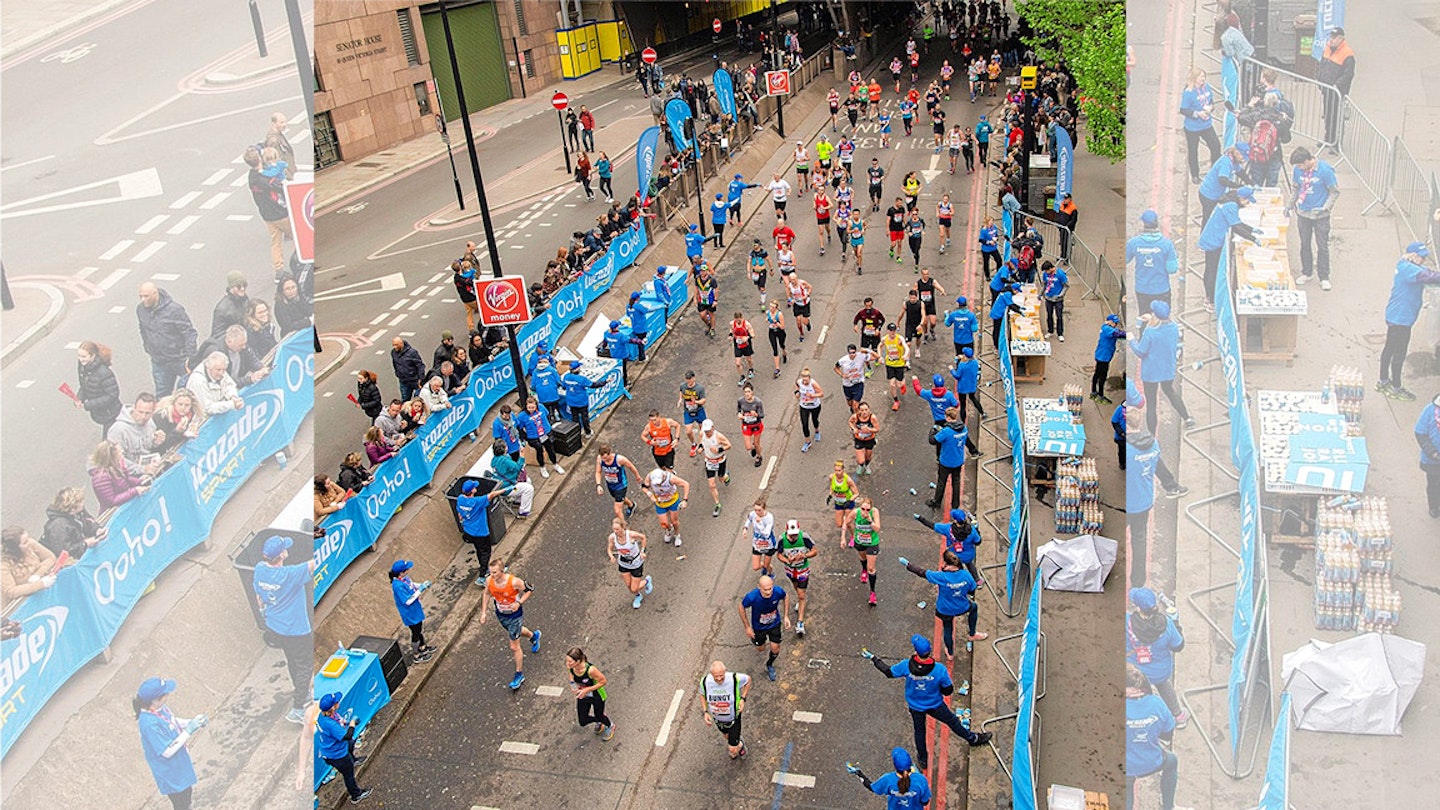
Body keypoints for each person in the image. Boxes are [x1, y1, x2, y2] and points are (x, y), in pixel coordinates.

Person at [865, 635, 992, 771]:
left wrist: (874, 659)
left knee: (919, 732)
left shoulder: (906, 666)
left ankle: (923, 759)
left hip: (915, 706)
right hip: (935, 704)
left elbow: (888, 672)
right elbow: (948, 690)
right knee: (953, 722)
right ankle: (972, 739)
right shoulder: (939, 670)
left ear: (916, 652)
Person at [252, 535, 315, 723]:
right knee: (305, 665)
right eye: (285, 548)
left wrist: (264, 614)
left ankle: (303, 696)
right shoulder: (289, 574)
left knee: (293, 662)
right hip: (297, 629)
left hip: (276, 626)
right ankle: (298, 708)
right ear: (282, 555)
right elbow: (313, 563)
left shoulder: (259, 569)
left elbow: (259, 598)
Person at [1126, 409, 1188, 587]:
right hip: (1144, 501)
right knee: (1139, 541)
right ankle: (1138, 582)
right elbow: (1157, 467)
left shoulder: (1128, 450)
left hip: (1129, 503)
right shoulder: (1153, 445)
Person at [1377, 243, 1440, 399]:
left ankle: (1383, 381)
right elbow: (1430, 276)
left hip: (1398, 316)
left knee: (1389, 349)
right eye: (1422, 256)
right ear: (1412, 255)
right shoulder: (1409, 270)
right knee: (1399, 353)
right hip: (1401, 319)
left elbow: (1428, 273)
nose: (1424, 259)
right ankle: (1396, 387)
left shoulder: (1406, 265)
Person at [134, 677, 207, 809]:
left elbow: (172, 721)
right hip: (171, 772)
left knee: (187, 793)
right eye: (166, 693)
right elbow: (167, 751)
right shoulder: (149, 725)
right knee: (181, 802)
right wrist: (189, 731)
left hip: (180, 763)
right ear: (156, 700)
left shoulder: (160, 709)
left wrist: (192, 722)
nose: (168, 695)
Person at [902, 549, 983, 659]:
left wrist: (908, 564)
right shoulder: (965, 575)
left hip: (945, 609)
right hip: (962, 606)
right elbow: (972, 589)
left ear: (946, 563)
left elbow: (922, 572)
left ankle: (950, 653)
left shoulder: (941, 577)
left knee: (948, 629)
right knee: (974, 607)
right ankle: (972, 634)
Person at [1126, 587, 1187, 726]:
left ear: (1138, 608)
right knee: (1165, 687)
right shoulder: (1167, 625)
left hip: (1134, 673)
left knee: (1138, 699)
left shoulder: (1126, 622)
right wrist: (1176, 623)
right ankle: (1179, 716)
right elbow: (1178, 646)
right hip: (1160, 671)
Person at [478, 558, 542, 690]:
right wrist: (483, 612)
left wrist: (518, 603)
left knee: (514, 646)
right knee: (517, 632)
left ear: (502, 571)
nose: (492, 575)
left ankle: (519, 675)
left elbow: (530, 588)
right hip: (501, 615)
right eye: (491, 572)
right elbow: (486, 594)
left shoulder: (514, 581)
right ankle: (534, 636)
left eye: (495, 572)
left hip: (514, 616)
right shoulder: (489, 581)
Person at [1133, 301, 1194, 433]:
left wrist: (1131, 340)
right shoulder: (1173, 328)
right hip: (1167, 369)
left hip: (1151, 373)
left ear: (1155, 315)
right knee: (1170, 392)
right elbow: (1162, 327)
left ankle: (1151, 436)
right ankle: (1187, 418)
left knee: (1151, 404)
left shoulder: (1150, 332)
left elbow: (1140, 352)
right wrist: (1151, 319)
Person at [1125, 662, 1179, 810]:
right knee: (1172, 761)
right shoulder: (1157, 703)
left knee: (1126, 787)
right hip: (1152, 762)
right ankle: (1168, 806)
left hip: (1125, 767)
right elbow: (1167, 735)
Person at [1288, 146, 1340, 290]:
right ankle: (1307, 272)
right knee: (1305, 244)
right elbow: (1296, 188)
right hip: (1303, 213)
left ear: (1307, 161)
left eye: (1300, 165)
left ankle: (1324, 276)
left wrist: (1326, 207)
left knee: (1322, 245)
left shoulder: (1325, 171)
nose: (1299, 168)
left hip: (1320, 216)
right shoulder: (1298, 170)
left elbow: (1334, 192)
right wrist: (1289, 205)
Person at [135, 283, 198, 396]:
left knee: (187, 391)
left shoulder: (174, 311)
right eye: (141, 296)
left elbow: (189, 333)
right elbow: (143, 329)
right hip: (159, 360)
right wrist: (148, 347)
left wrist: (191, 357)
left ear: (155, 293)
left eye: (146, 296)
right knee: (162, 394)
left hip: (179, 359)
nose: (143, 300)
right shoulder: (141, 309)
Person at [738, 574, 790, 681]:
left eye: (770, 588)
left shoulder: (777, 591)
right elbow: (741, 606)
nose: (768, 592)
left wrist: (786, 616)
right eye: (765, 590)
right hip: (759, 628)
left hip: (774, 624)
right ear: (759, 587)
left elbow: (786, 596)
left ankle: (769, 664)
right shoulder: (752, 597)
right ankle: (755, 640)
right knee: (761, 649)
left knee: (775, 648)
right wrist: (747, 627)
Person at [457, 478, 513, 576]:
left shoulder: (460, 499)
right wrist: (505, 489)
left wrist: (463, 521)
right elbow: (492, 495)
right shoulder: (477, 501)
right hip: (480, 532)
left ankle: (485, 567)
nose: (476, 488)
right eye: (474, 487)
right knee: (486, 553)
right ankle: (483, 574)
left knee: (479, 550)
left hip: (469, 531)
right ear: (472, 491)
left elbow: (460, 514)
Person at [845, 747, 931, 809]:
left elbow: (872, 787)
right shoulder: (921, 780)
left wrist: (858, 773)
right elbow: (925, 801)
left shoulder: (887, 780)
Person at [701, 660, 752, 759]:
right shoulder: (705, 681)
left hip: (734, 718)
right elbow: (702, 694)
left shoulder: (734, 678)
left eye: (721, 676)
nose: (719, 678)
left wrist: (743, 698)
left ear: (725, 672)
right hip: (718, 720)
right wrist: (705, 712)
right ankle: (737, 742)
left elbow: (748, 680)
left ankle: (739, 746)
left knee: (732, 750)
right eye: (716, 676)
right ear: (711, 674)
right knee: (726, 736)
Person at [915, 508, 983, 582]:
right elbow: (978, 542)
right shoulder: (972, 530)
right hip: (968, 556)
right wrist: (977, 529)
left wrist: (921, 519)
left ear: (955, 520)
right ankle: (977, 580)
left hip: (953, 557)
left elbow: (933, 526)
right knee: (970, 565)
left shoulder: (947, 528)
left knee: (955, 571)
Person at [39, 486, 106, 561]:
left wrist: (96, 529)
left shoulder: (79, 511)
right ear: (72, 509)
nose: (83, 504)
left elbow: (88, 521)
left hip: (78, 544)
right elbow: (63, 552)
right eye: (81, 503)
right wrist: (85, 544)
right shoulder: (59, 526)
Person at [1179, 67, 1221, 184]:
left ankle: (1214, 169)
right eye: (1201, 77)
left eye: (1204, 77)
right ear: (1195, 78)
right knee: (1193, 151)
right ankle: (1195, 174)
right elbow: (1183, 109)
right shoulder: (1188, 92)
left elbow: (1211, 101)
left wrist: (1210, 108)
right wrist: (1197, 114)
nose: (1203, 79)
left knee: (1216, 146)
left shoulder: (1206, 87)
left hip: (1206, 125)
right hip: (1192, 128)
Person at [389, 560, 435, 664]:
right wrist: (421, 590)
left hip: (415, 609)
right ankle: (416, 654)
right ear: (401, 572)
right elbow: (408, 601)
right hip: (409, 613)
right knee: (415, 632)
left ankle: (422, 647)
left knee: (419, 629)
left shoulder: (404, 579)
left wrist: (421, 585)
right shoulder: (397, 586)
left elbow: (411, 585)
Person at [1316, 27, 1355, 146]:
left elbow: (1348, 74)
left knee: (1337, 116)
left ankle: (1337, 142)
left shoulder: (1347, 54)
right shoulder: (1328, 48)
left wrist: (1337, 85)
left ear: (1340, 38)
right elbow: (1322, 64)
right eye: (1330, 37)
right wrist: (1319, 77)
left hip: (1338, 91)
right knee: (1328, 115)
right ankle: (1328, 138)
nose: (1331, 40)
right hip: (1327, 89)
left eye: (1334, 38)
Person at [75, 341, 123, 439]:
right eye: (79, 356)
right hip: (101, 411)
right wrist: (79, 397)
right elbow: (85, 385)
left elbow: (112, 395)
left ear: (93, 356)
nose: (81, 360)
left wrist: (89, 404)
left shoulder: (104, 373)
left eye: (84, 357)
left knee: (108, 442)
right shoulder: (83, 367)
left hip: (111, 412)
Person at [777, 519, 816, 636]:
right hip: (790, 570)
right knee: (796, 588)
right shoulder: (782, 539)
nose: (793, 537)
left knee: (801, 594)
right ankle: (801, 601)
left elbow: (815, 551)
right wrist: (787, 560)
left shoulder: (804, 537)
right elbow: (778, 554)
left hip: (802, 570)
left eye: (795, 535)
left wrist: (804, 555)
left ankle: (800, 622)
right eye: (791, 535)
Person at [567, 648, 615, 740]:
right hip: (583, 695)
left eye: (570, 661)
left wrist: (587, 690)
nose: (568, 663)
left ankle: (609, 725)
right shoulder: (571, 667)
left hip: (597, 696)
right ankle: (600, 719)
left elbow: (603, 681)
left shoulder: (590, 670)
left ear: (578, 661)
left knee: (599, 715)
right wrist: (573, 687)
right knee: (583, 721)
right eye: (567, 661)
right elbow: (571, 677)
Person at [1, 526, 58, 602]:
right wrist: (40, 584)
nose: (29, 543)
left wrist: (38, 574)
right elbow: (11, 591)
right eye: (24, 543)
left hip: (40, 593)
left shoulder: (30, 543)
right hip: (20, 602)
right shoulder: (3, 565)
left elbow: (50, 557)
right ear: (15, 548)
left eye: (28, 539)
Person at [607, 517, 653, 609]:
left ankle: (647, 581)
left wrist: (643, 551)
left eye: (617, 529)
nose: (615, 531)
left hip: (636, 563)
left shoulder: (631, 535)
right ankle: (638, 596)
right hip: (624, 564)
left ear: (623, 527)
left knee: (634, 588)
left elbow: (643, 537)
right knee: (628, 585)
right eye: (614, 529)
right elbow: (609, 548)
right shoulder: (612, 537)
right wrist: (611, 556)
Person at [1197, 146, 1247, 225]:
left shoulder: (1234, 161)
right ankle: (1204, 235)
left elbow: (1241, 173)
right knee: (1208, 220)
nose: (1243, 160)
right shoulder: (1225, 163)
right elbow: (1223, 181)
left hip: (1215, 194)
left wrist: (1252, 183)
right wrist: (1238, 186)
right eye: (1242, 157)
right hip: (1208, 195)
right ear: (1237, 153)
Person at [641, 467, 690, 546]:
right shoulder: (649, 476)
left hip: (673, 502)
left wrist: (685, 500)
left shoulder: (671, 478)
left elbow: (686, 484)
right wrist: (650, 495)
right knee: (664, 524)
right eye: (656, 484)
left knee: (674, 521)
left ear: (663, 476)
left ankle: (677, 535)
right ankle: (668, 530)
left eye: (660, 482)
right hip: (660, 503)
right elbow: (644, 487)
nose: (658, 484)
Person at [516, 397, 564, 477]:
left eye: (533, 407)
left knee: (551, 450)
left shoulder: (541, 407)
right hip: (534, 437)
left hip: (546, 433)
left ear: (536, 405)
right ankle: (542, 468)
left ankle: (555, 464)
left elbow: (547, 415)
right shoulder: (522, 416)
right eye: (529, 407)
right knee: (539, 452)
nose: (531, 409)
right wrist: (526, 438)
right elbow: (520, 428)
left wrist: (548, 426)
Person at [851, 495, 883, 606]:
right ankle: (863, 569)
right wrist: (849, 536)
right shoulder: (855, 513)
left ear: (871, 508)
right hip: (860, 541)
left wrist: (870, 520)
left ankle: (872, 593)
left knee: (871, 567)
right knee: (862, 558)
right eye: (863, 509)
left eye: (867, 509)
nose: (865, 511)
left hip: (872, 542)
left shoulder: (874, 512)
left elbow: (877, 529)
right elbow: (847, 522)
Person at [595, 444, 641, 521]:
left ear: (610, 453)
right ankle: (631, 505)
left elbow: (631, 466)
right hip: (610, 485)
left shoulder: (619, 459)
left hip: (621, 485)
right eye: (603, 459)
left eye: (606, 458)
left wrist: (637, 476)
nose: (605, 460)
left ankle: (623, 528)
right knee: (619, 498)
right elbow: (598, 472)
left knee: (617, 510)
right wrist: (598, 485)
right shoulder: (600, 459)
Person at [488, 440, 534, 517]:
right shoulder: (504, 460)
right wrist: (522, 456)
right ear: (504, 449)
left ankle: (518, 500)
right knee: (529, 488)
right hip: (508, 488)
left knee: (527, 481)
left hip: (499, 485)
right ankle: (523, 511)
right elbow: (517, 467)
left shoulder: (494, 459)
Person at [698, 419, 732, 516]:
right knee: (712, 485)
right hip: (709, 461)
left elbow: (729, 445)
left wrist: (718, 449)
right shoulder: (702, 434)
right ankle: (718, 504)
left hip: (720, 460)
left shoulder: (718, 436)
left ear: (713, 428)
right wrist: (700, 447)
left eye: (708, 431)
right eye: (706, 431)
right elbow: (701, 441)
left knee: (721, 478)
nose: (707, 433)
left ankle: (726, 476)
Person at [1415, 393, 1440, 519]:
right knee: (1434, 484)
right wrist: (1433, 452)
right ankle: (1434, 506)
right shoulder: (1429, 411)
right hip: (1433, 460)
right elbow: (1420, 433)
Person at [561, 360, 601, 437]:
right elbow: (593, 385)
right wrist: (605, 382)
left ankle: (577, 433)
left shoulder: (566, 377)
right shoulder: (582, 379)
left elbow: (563, 387)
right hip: (581, 402)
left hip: (571, 401)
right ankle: (587, 432)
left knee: (575, 418)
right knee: (584, 417)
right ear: (577, 369)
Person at [1092, 315, 1127, 402]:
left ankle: (1093, 391)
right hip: (1104, 356)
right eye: (1114, 322)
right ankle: (1100, 394)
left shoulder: (1105, 328)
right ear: (1109, 321)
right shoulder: (1108, 330)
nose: (1116, 324)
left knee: (1097, 373)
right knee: (1102, 376)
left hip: (1101, 354)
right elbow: (1118, 334)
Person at [744, 496, 779, 578]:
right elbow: (749, 519)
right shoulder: (753, 514)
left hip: (768, 544)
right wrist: (745, 528)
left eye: (759, 510)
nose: (757, 512)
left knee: (765, 566)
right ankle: (766, 566)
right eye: (755, 510)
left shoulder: (769, 518)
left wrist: (760, 523)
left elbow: (766, 534)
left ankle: (770, 572)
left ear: (764, 509)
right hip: (757, 544)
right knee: (755, 567)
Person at [952, 348, 986, 424]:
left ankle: (963, 422)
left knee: (963, 404)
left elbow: (957, 376)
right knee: (973, 399)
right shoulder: (975, 363)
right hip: (971, 386)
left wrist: (952, 370)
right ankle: (982, 412)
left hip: (962, 388)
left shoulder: (962, 365)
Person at [736, 382, 766, 466]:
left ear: (752, 392)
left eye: (748, 392)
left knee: (756, 443)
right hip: (746, 425)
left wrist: (756, 414)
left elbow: (762, 415)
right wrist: (739, 414)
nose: (747, 394)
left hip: (756, 425)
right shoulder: (741, 400)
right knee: (748, 447)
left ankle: (759, 456)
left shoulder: (757, 402)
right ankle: (756, 449)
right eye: (745, 392)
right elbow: (738, 409)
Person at [1040, 261, 1069, 341]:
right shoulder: (1045, 275)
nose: (1046, 273)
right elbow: (1045, 285)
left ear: (1050, 268)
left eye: (1046, 271)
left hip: (1058, 299)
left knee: (1059, 316)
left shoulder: (1060, 274)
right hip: (1048, 297)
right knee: (1049, 315)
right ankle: (1050, 330)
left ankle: (1060, 333)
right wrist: (1041, 294)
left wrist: (1060, 295)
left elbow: (1066, 286)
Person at [389, 337, 426, 402]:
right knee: (405, 399)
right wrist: (397, 373)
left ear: (401, 343)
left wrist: (421, 379)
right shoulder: (393, 353)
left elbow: (420, 365)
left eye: (396, 345)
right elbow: (394, 364)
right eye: (393, 345)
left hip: (415, 380)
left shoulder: (412, 353)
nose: (394, 347)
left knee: (417, 400)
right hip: (404, 381)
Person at [728, 310, 756, 385]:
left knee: (749, 359)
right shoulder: (732, 323)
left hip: (746, 344)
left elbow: (753, 334)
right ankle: (742, 377)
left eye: (739, 320)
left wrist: (747, 337)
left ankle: (751, 370)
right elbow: (731, 330)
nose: (738, 321)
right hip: (737, 345)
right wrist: (730, 335)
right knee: (737, 363)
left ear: (741, 318)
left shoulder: (747, 324)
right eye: (736, 320)